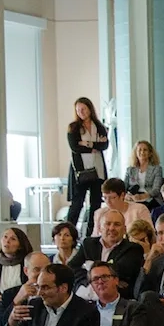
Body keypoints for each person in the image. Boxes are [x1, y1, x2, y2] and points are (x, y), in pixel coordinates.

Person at [63, 96, 109, 228]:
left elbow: (104, 145)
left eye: (83, 109)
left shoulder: (99, 126)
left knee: (95, 203)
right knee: (77, 203)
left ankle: (92, 232)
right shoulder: (73, 128)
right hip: (81, 170)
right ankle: (69, 231)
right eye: (78, 110)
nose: (81, 112)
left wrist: (86, 143)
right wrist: (94, 146)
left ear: (89, 109)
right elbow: (75, 147)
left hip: (97, 169)